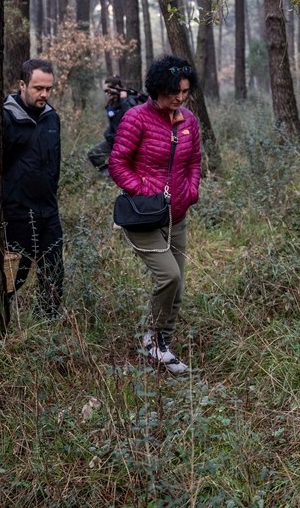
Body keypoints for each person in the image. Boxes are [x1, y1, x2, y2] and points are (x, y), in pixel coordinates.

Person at [109, 55, 203, 375]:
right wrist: (144, 189)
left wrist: (191, 191)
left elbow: (194, 162)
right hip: (144, 215)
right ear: (157, 89)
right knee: (169, 276)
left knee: (177, 284)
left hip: (177, 215)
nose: (179, 98)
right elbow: (117, 164)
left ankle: (163, 344)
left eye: (185, 91)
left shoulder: (189, 120)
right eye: (173, 92)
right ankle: (152, 341)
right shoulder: (137, 118)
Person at [2, 59, 64, 317]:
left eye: (48, 89)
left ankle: (46, 327)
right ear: (22, 85)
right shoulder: (5, 118)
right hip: (16, 213)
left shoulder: (52, 118)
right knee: (13, 277)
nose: (44, 94)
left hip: (48, 211)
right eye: (38, 88)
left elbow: (55, 163)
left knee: (54, 272)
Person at [87, 75, 146, 172]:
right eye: (105, 91)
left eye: (109, 90)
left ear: (117, 87)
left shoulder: (129, 99)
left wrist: (123, 99)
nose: (107, 93)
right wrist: (108, 134)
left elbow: (133, 116)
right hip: (114, 140)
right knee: (93, 153)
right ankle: (110, 176)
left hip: (128, 142)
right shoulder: (111, 102)